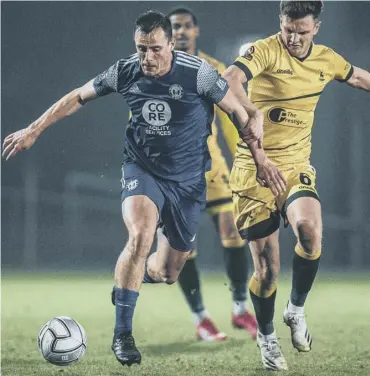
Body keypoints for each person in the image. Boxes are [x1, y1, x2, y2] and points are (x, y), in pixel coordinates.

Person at [2, 11, 287, 367]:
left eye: (154, 49)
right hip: (142, 169)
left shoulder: (198, 73)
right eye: (141, 49)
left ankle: (131, 283)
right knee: (140, 235)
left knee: (168, 272)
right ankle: (123, 335)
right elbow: (78, 96)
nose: (147, 57)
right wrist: (34, 129)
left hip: (188, 183)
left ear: (171, 44)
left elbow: (238, 112)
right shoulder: (125, 70)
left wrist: (261, 161)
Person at [223, 1, 370, 371]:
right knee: (267, 270)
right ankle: (267, 337)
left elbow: (357, 77)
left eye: (302, 31)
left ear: (316, 28)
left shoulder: (326, 59)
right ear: (281, 23)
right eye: (288, 29)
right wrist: (253, 112)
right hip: (253, 170)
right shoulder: (265, 50)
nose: (293, 38)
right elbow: (230, 79)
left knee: (309, 231)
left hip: (295, 167)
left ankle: (296, 309)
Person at [167, 7, 258, 342]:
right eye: (175, 27)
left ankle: (238, 308)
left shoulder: (212, 69)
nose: (181, 32)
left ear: (196, 30)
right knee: (184, 249)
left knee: (233, 228)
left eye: (186, 26)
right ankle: (201, 317)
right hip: (175, 176)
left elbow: (232, 122)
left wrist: (247, 162)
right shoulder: (157, 69)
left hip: (212, 168)